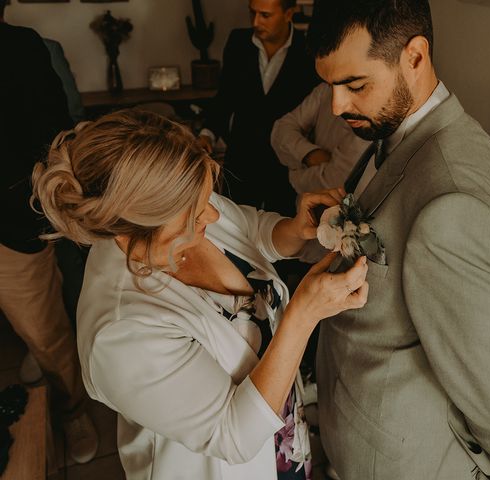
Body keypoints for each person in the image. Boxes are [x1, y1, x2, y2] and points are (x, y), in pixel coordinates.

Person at [31, 109, 369, 480]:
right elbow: (232, 435)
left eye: (207, 200)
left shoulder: (182, 202)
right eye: (193, 215)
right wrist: (303, 315)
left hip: (282, 436)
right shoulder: (119, 333)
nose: (211, 215)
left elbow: (252, 233)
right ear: (129, 235)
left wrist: (293, 230)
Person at [306, 1, 490, 479]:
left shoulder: (454, 198)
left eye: (355, 85)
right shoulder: (391, 135)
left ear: (414, 56)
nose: (336, 106)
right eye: (330, 85)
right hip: (351, 432)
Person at [0, 2, 99, 464]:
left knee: (44, 330)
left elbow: (56, 131)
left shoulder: (23, 49)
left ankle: (72, 409)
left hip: (10, 224)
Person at [199, 0, 319, 217]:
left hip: (285, 166)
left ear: (289, 13)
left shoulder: (309, 49)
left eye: (265, 15)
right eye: (252, 13)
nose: (256, 22)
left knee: (282, 234)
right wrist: (207, 134)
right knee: (234, 230)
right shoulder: (238, 42)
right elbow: (225, 97)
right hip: (242, 160)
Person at [271, 83, 369, 196]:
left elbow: (336, 183)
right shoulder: (324, 89)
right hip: (302, 209)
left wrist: (294, 174)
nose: (336, 109)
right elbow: (281, 129)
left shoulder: (370, 118)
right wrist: (309, 154)